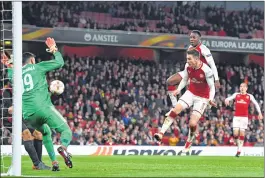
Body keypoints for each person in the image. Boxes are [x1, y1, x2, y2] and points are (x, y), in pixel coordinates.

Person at [1, 37, 73, 171]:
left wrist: (7, 64)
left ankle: (54, 163)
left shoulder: (14, 74)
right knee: (66, 131)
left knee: (45, 132)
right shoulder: (37, 67)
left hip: (28, 114)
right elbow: (60, 62)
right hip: (43, 108)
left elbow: (8, 72)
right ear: (32, 61)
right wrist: (54, 49)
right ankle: (63, 148)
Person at [154, 49, 216, 155]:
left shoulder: (207, 70)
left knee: (192, 123)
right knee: (175, 110)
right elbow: (185, 79)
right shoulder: (188, 66)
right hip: (190, 93)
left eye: (189, 59)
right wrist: (178, 89)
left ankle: (188, 143)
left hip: (202, 98)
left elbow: (212, 87)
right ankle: (161, 133)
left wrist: (210, 99)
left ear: (196, 59)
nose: (187, 60)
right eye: (187, 58)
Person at [166, 30, 220, 110]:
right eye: (190, 37)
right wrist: (186, 74)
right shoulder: (190, 48)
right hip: (189, 73)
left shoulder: (204, 49)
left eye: (194, 37)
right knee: (169, 81)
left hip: (200, 75)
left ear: (199, 38)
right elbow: (188, 63)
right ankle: (175, 105)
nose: (191, 39)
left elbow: (212, 65)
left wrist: (216, 79)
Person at [1, 86, 50, 170]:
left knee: (38, 134)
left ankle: (38, 163)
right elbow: (9, 110)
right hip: (9, 119)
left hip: (20, 117)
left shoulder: (25, 92)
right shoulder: (7, 92)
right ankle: (37, 164)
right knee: (26, 134)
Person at [224, 83, 263, 157]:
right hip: (236, 117)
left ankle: (239, 150)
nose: (242, 88)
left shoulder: (249, 96)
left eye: (243, 87)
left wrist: (260, 113)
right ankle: (238, 144)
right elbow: (229, 98)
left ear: (246, 88)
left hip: (244, 118)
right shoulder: (236, 95)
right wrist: (226, 100)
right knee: (235, 134)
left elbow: (256, 104)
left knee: (242, 134)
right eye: (240, 86)